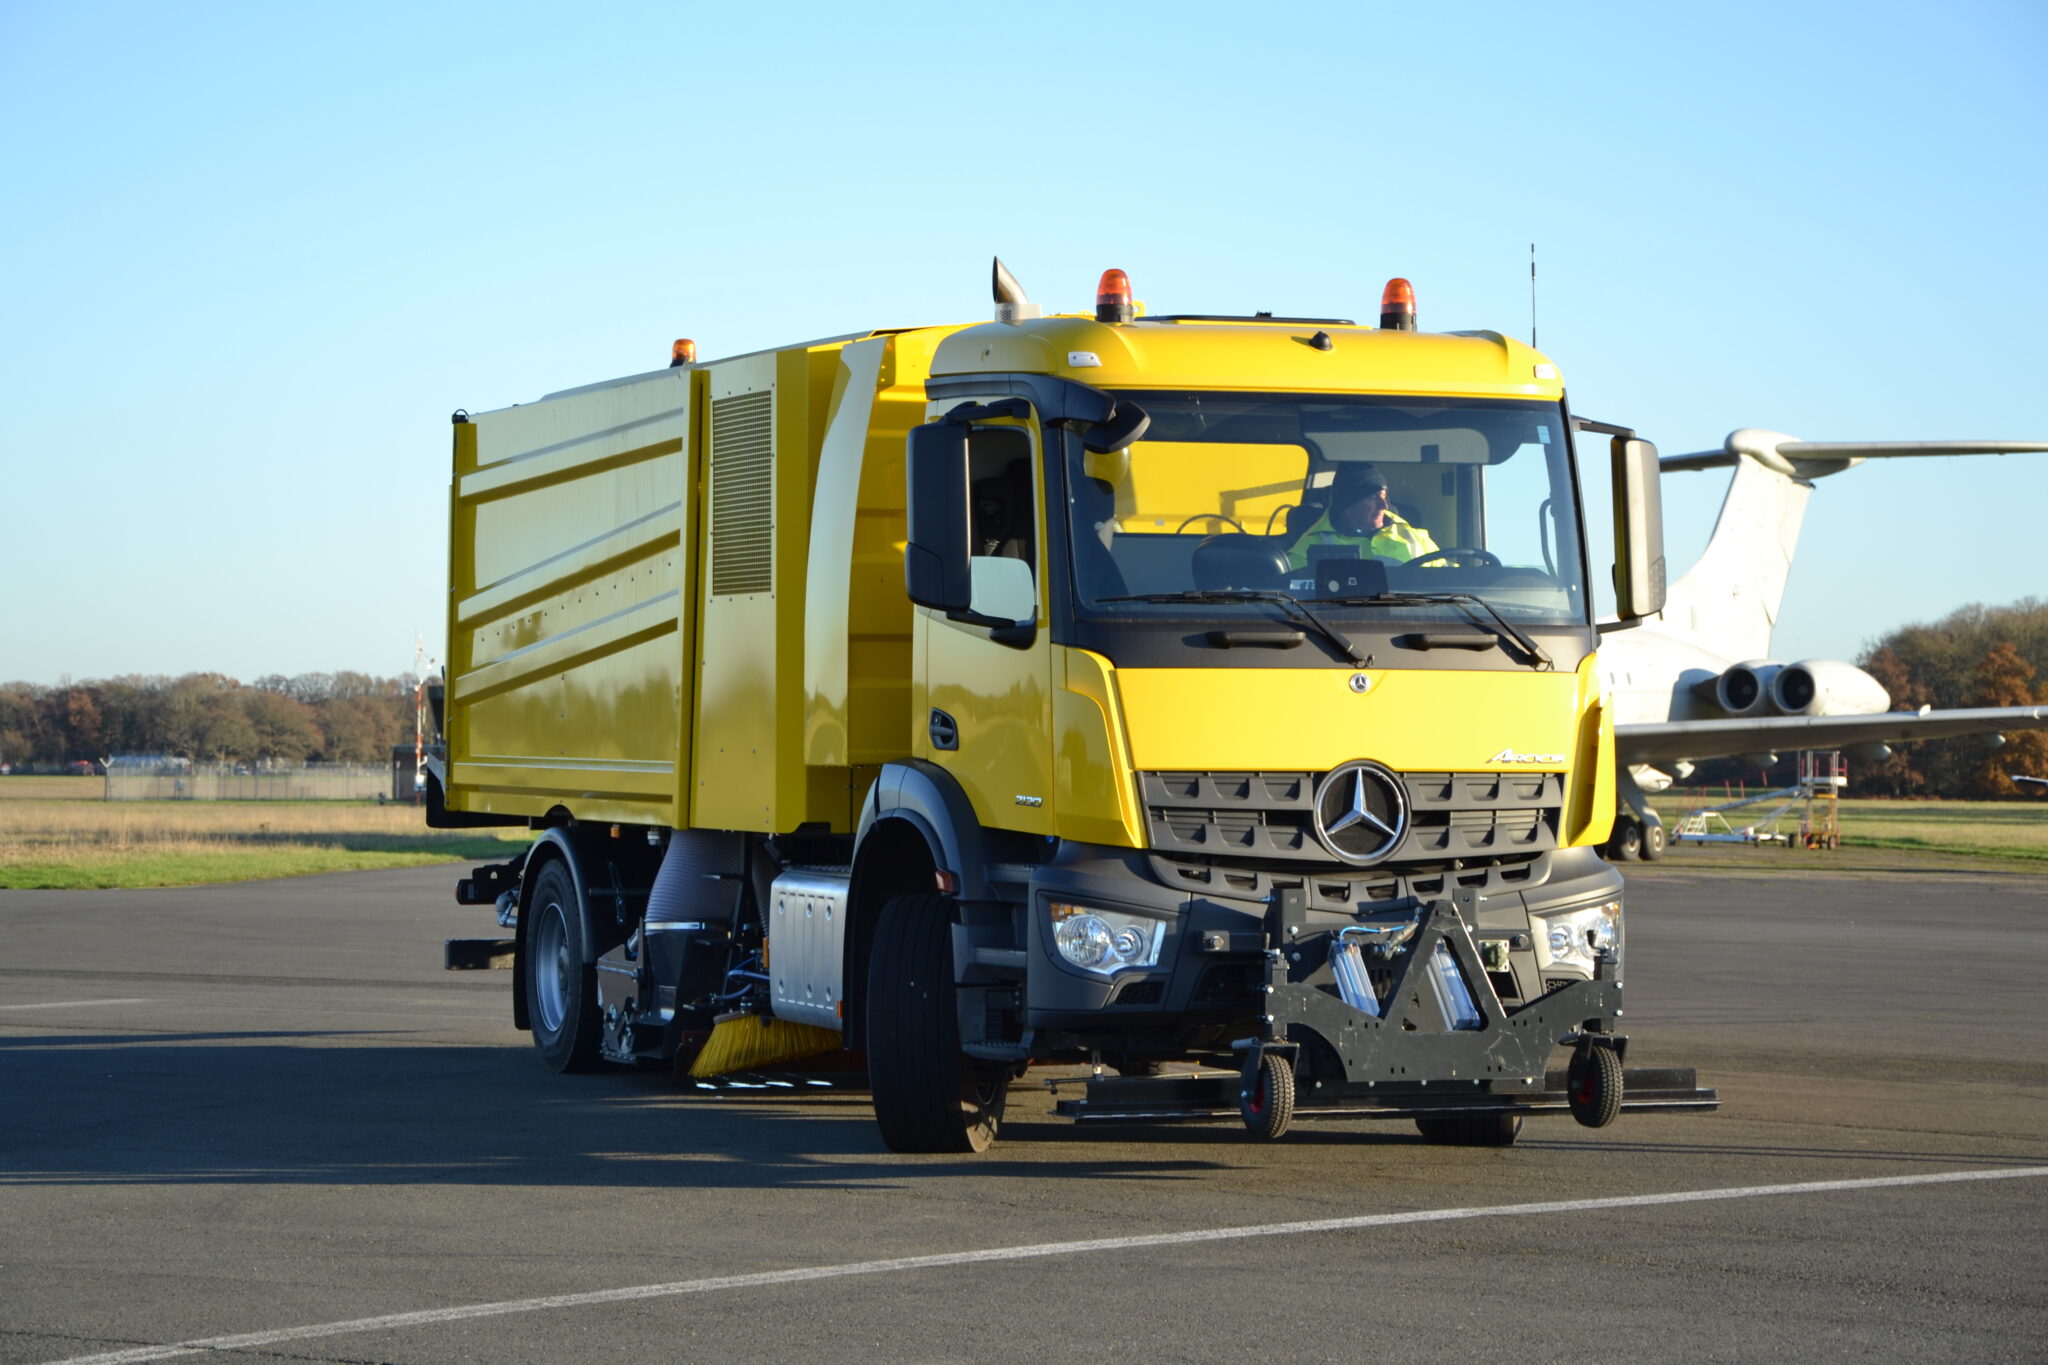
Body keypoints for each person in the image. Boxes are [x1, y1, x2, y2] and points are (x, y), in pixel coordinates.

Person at [1285, 462, 1438, 568]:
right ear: (1347, 506)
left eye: (1384, 496)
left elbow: (1447, 576)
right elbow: (1289, 595)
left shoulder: (1414, 536)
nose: (1383, 506)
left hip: (1412, 615)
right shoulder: (1309, 547)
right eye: (1372, 498)